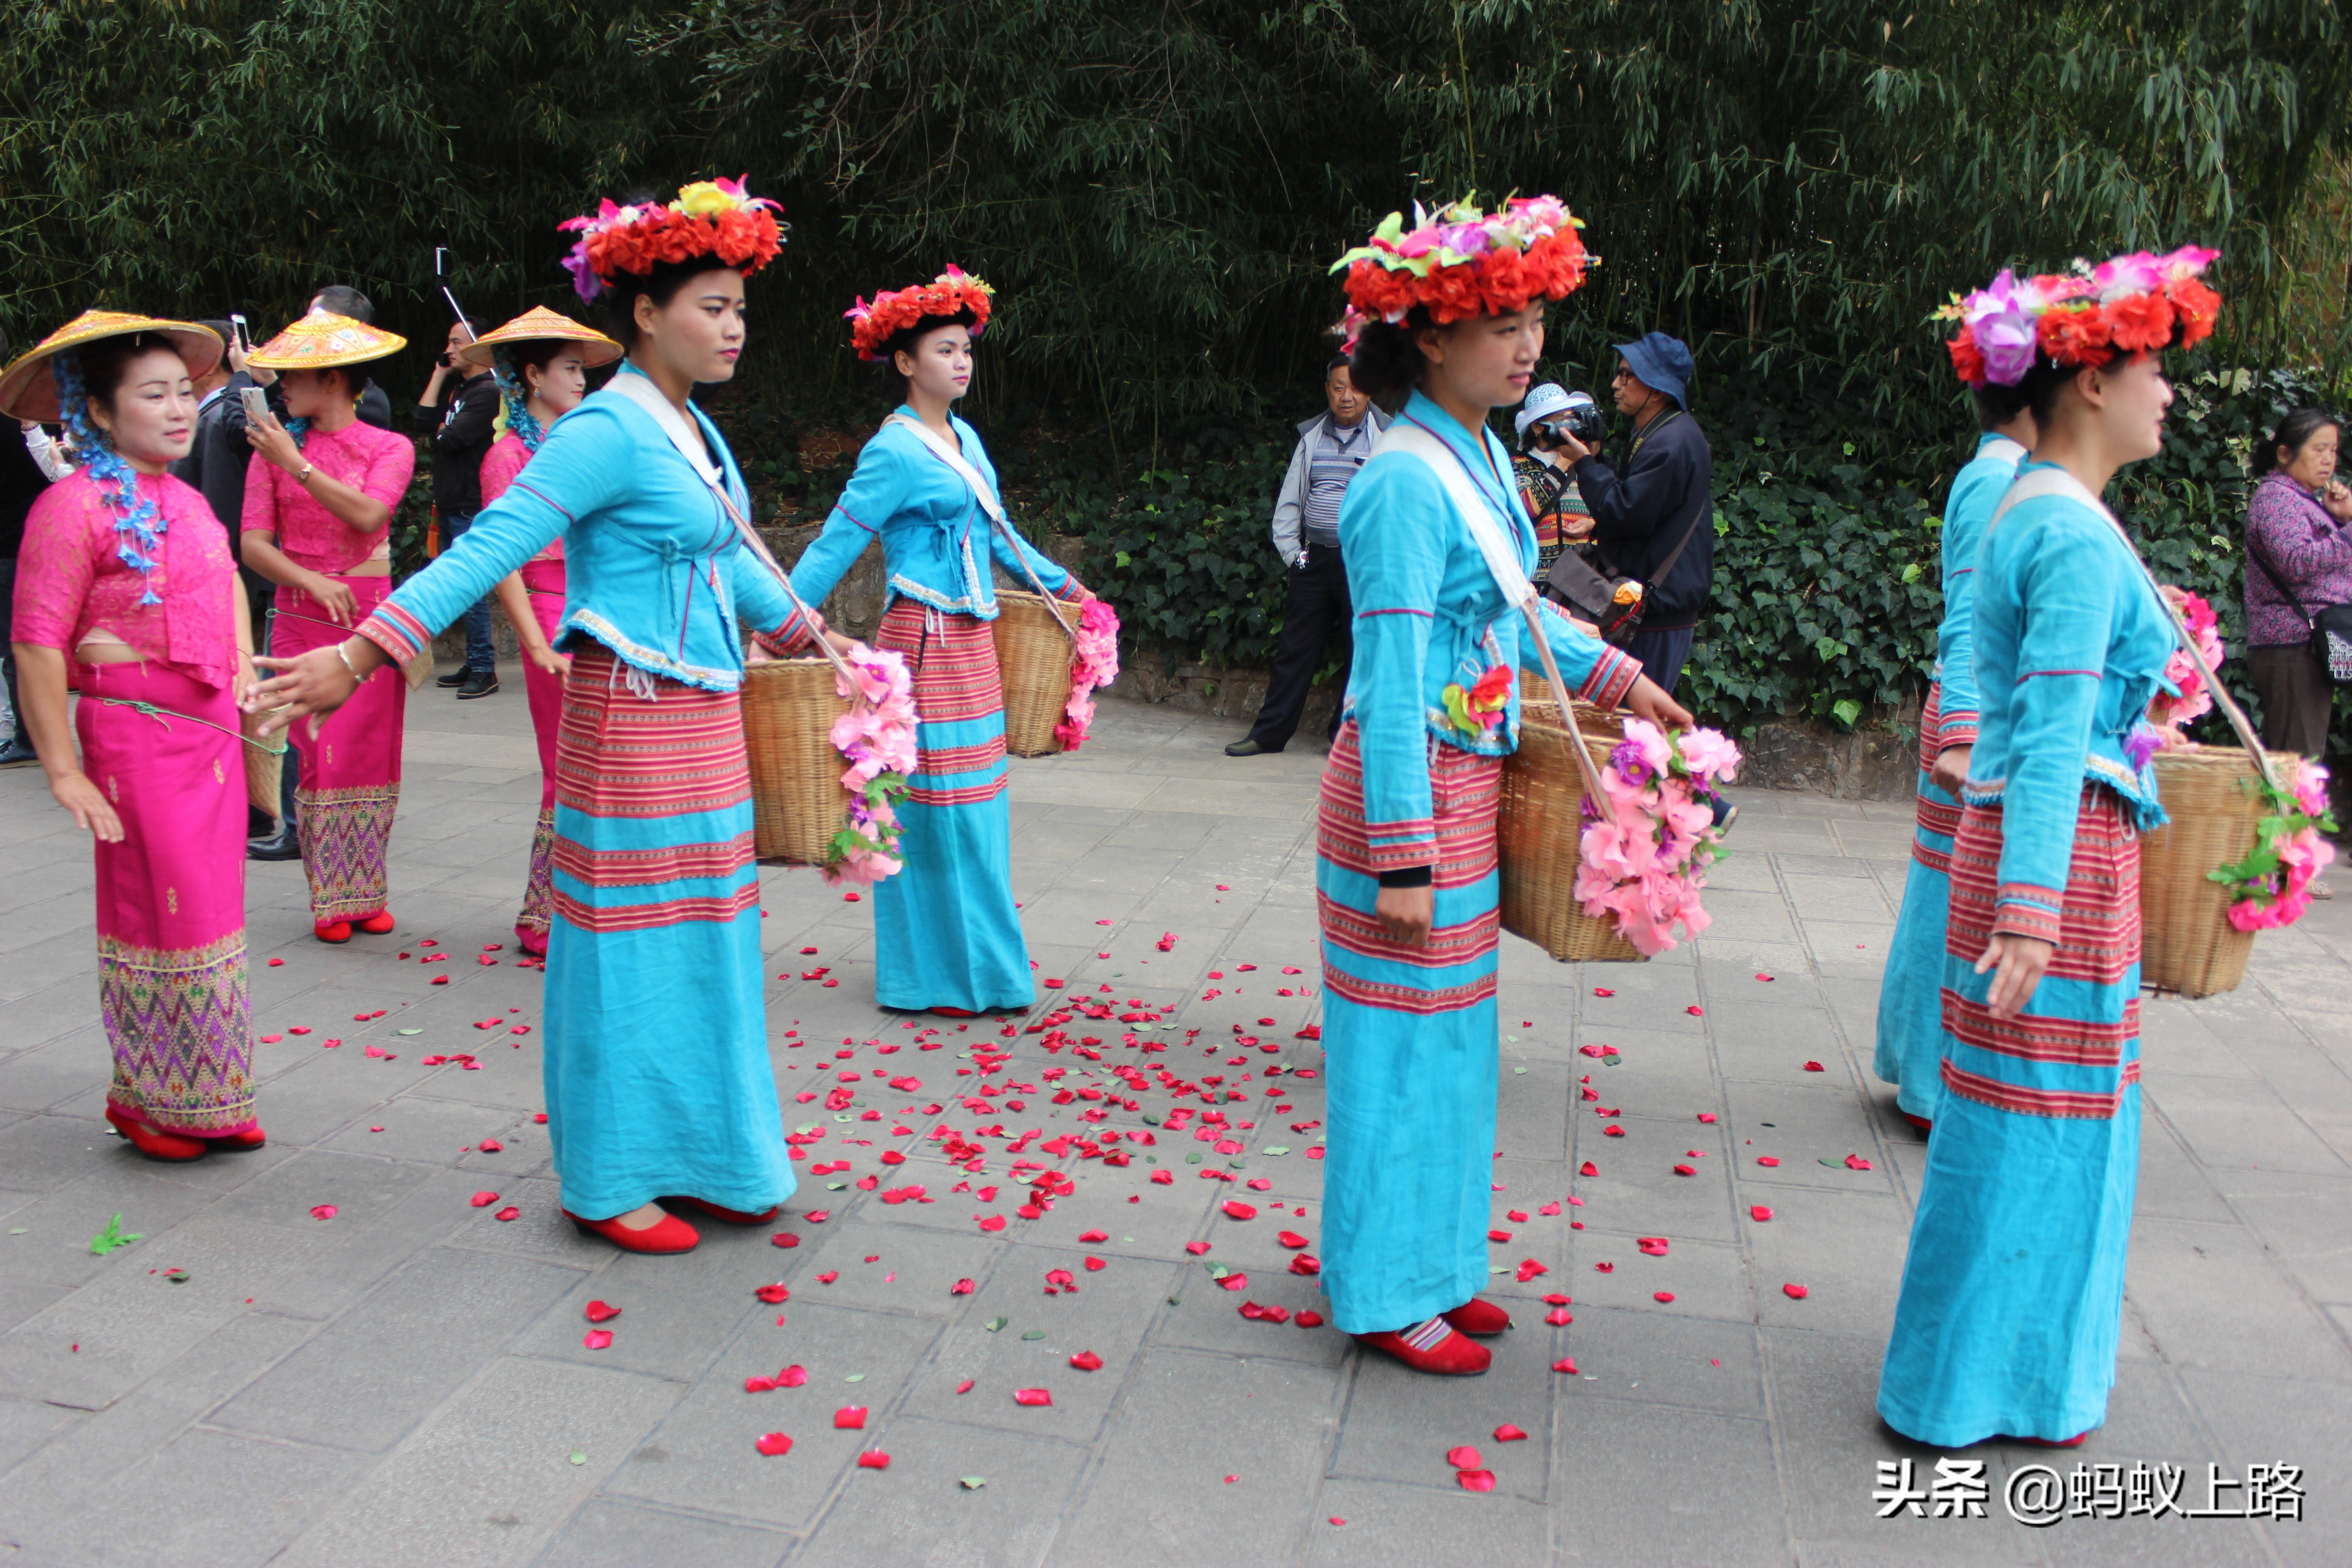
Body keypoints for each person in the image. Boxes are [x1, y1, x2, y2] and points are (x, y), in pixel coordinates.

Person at [253, 177, 799, 1256]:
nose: (732, 327)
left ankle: (712, 1153)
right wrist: (362, 653)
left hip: (703, 717)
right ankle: (612, 1176)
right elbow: (485, 549)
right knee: (626, 952)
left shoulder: (690, 429)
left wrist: (820, 643)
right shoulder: (603, 429)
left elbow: (731, 562)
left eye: (740, 308)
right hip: (629, 716)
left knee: (711, 937)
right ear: (643, 313)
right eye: (711, 306)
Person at [1320, 196, 1692, 1376]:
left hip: (1465, 784)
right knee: (1396, 1054)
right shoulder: (1398, 483)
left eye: (1533, 317)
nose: (1527, 343)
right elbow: (1384, 684)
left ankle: (1433, 1265)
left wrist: (1626, 681)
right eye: (1499, 321)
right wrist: (1403, 856)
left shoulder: (1481, 453)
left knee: (1454, 1048)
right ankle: (1383, 1292)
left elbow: (1522, 616)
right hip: (1407, 798)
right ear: (1428, 336)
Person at [1878, 245, 2222, 1449]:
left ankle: (1965, 1377)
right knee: (2044, 1127)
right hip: (2061, 861)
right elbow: (2058, 731)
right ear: (2086, 384)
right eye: (2152, 371)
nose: (2168, 394)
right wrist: (2032, 912)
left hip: (2039, 846)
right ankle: (1989, 1384)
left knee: (2010, 1121)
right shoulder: (2071, 535)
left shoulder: (2032, 503)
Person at [776, 266, 1091, 1014]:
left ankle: (983, 970)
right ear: (906, 362)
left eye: (965, 350)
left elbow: (1002, 536)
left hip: (974, 645)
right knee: (929, 810)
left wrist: (1076, 594)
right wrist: (782, 621)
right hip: (921, 642)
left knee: (977, 810)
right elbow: (836, 541)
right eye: (944, 350)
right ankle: (929, 977)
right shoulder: (892, 450)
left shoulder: (966, 438)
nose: (960, 362)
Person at [1, 311, 266, 1159]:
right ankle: (150, 1098)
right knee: (159, 911)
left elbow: (226, 582)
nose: (180, 409)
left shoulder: (188, 501)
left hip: (210, 735)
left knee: (212, 912)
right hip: (133, 736)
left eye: (185, 391)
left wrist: (246, 667)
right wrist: (62, 769)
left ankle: (209, 1091)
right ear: (103, 414)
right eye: (154, 395)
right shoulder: (68, 506)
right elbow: (37, 641)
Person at [1874, 382, 2036, 1131]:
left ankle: (1925, 1074)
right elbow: (1968, 610)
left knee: (1945, 891)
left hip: (1982, 718)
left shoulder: (2003, 475)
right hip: (1974, 724)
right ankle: (1929, 1084)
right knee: (1951, 897)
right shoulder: (1997, 481)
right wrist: (1963, 732)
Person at [236, 309, 416, 941]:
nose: (282, 384)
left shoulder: (389, 446)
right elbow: (253, 544)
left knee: (371, 754)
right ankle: (329, 898)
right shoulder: (273, 449)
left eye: (296, 375)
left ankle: (367, 891)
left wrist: (299, 465)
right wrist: (309, 579)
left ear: (337, 380)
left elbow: (371, 516)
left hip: (371, 619)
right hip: (299, 615)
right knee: (317, 758)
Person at [463, 306, 626, 957]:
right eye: (568, 369)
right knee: (571, 767)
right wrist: (532, 640)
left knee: (607, 762)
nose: (582, 380)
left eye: (583, 369)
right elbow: (500, 555)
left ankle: (586, 901)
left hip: (602, 612)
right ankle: (546, 914)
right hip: (553, 616)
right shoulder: (507, 455)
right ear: (532, 376)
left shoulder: (587, 442)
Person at [1225, 358, 1389, 757]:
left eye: (1354, 387)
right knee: (1294, 649)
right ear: (1328, 391)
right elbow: (1290, 503)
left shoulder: (1390, 437)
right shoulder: (1311, 437)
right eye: (1337, 387)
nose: (1346, 396)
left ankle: (1344, 738)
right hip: (1312, 559)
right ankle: (1268, 735)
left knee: (1362, 651)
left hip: (1362, 563)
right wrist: (1293, 556)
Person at [1546, 331, 1714, 694]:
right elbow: (1637, 502)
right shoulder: (1661, 433)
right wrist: (1596, 458)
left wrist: (1587, 464)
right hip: (1651, 608)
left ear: (1656, 387)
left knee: (1634, 731)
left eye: (1626, 375)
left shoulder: (1670, 444)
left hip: (1657, 614)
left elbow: (1624, 512)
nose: (1615, 384)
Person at [2242, 407, 2352, 767]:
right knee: (2296, 769)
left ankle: (2292, 824)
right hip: (2291, 648)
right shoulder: (2276, 498)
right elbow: (2295, 561)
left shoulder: (2304, 501)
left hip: (2308, 648)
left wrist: (2341, 519)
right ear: (2285, 453)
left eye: (2333, 450)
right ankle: (2291, 826)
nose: (2328, 460)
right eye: (2318, 449)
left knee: (2296, 764)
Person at [416, 317, 503, 698]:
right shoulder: (461, 392)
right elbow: (424, 423)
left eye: (456, 342)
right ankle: (474, 659)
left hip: (471, 503)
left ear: (478, 347)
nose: (448, 350)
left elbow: (450, 437)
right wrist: (438, 377)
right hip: (452, 501)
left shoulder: (488, 392)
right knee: (463, 590)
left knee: (472, 588)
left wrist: (438, 431)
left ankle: (485, 667)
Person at [0, 329, 53, 768]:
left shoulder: (19, 408)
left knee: (18, 643)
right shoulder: (25, 402)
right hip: (33, 536)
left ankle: (28, 735)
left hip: (14, 542)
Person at [1510, 382, 1597, 574]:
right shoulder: (1518, 464)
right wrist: (1561, 465)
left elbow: (1609, 509)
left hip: (1583, 580)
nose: (1569, 428)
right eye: (1561, 420)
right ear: (1538, 427)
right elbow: (1525, 509)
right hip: (1537, 579)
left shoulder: (1585, 464)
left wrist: (1593, 523)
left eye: (1570, 419)